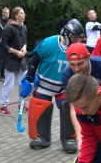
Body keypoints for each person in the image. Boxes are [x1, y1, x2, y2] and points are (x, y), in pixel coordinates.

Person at [21, 19, 84, 152]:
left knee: (69, 108)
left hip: (64, 86)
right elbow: (34, 59)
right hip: (44, 85)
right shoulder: (49, 43)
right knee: (39, 106)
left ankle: (69, 137)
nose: (75, 40)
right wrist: (29, 78)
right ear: (66, 33)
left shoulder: (75, 49)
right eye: (74, 37)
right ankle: (40, 136)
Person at [0, 7, 28, 116]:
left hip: (21, 60)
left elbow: (24, 41)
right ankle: (3, 106)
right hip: (11, 60)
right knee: (9, 84)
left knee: (23, 83)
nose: (24, 15)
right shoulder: (9, 28)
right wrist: (16, 52)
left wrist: (24, 48)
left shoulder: (24, 28)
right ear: (16, 15)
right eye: (21, 13)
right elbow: (4, 45)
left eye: (24, 13)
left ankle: (22, 103)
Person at [0, 7, 10, 83]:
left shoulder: (10, 21)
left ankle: (3, 74)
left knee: (5, 59)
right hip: (1, 42)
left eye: (8, 12)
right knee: (1, 59)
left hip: (7, 43)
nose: (7, 14)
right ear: (2, 13)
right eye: (6, 12)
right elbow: (3, 30)